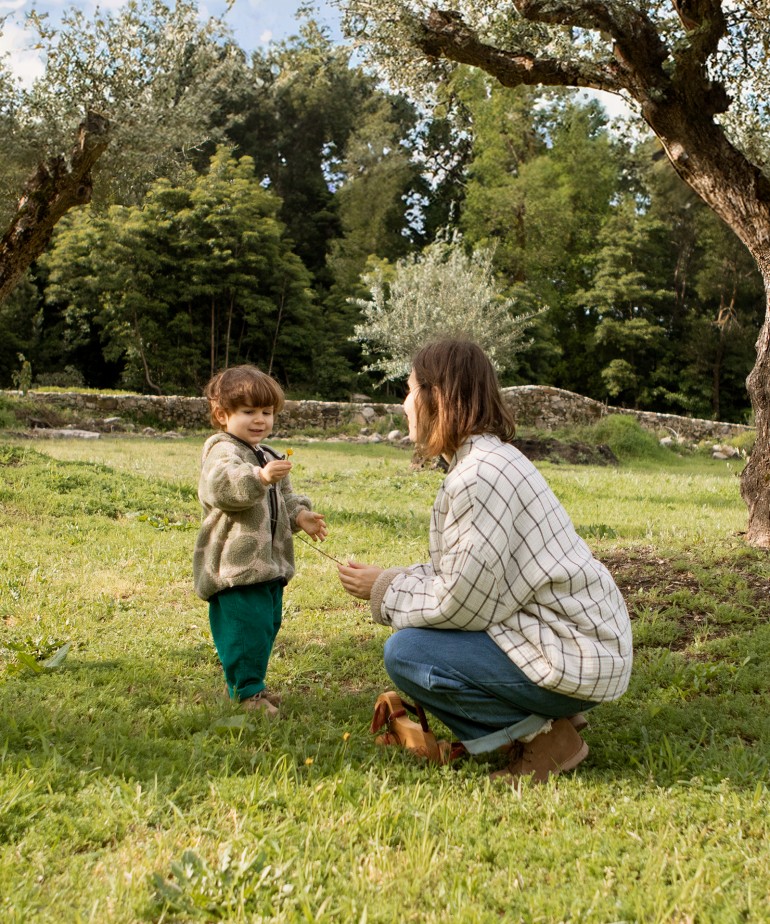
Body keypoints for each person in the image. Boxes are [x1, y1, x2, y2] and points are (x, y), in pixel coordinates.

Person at [338, 339, 632, 782]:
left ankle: (544, 740)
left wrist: (383, 591)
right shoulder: (488, 460)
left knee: (409, 652)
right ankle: (552, 717)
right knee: (419, 639)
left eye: (409, 390)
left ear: (436, 397)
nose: (403, 405)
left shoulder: (479, 477)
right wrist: (395, 577)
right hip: (580, 647)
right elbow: (467, 577)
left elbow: (463, 606)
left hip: (575, 655)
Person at [194, 365, 327, 717]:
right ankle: (245, 693)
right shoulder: (222, 451)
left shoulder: (267, 452)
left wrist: (301, 516)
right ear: (223, 415)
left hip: (267, 563)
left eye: (266, 412)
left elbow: (284, 497)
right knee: (243, 627)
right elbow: (224, 487)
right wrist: (260, 476)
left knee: (265, 625)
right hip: (235, 564)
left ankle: (254, 683)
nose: (260, 420)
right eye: (248, 412)